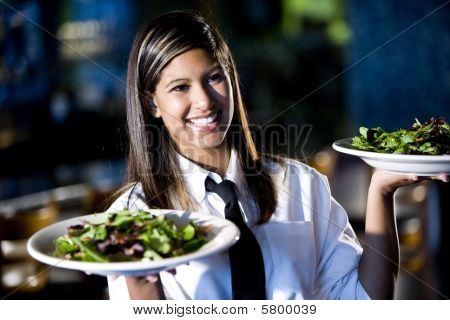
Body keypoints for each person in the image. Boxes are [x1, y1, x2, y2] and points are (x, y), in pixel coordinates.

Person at [106, 11, 448, 300]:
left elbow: (364, 300)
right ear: (152, 103)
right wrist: (142, 291)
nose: (205, 101)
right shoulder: (133, 218)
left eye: (214, 78)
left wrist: (381, 189)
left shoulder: (301, 184)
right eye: (180, 87)